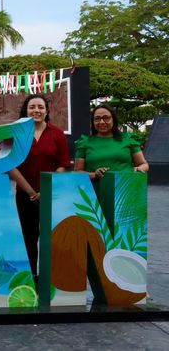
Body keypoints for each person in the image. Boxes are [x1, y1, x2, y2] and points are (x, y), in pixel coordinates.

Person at [11, 94, 71, 277]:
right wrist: (31, 192)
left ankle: (52, 278)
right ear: (25, 110)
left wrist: (45, 190)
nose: (36, 110)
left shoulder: (57, 134)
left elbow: (63, 164)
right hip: (25, 196)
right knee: (28, 238)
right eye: (32, 107)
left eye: (40, 107)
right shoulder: (17, 133)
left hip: (52, 195)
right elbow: (10, 165)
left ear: (46, 111)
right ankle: (32, 277)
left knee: (53, 237)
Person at [75, 104, 149, 182]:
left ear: (113, 119)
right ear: (93, 121)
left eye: (106, 118)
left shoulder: (128, 139)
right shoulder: (84, 142)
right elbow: (77, 172)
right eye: (97, 119)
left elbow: (144, 165)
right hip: (93, 192)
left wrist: (138, 169)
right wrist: (94, 174)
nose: (102, 122)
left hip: (125, 190)